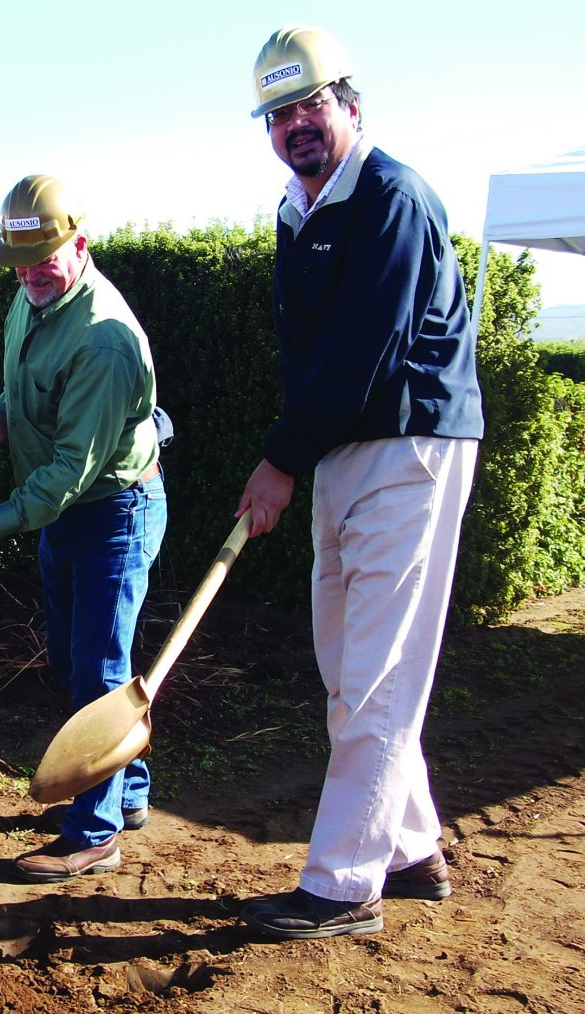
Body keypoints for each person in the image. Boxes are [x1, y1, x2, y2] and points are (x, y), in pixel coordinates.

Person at [236, 27, 484, 939]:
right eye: (278, 113)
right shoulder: (298, 212)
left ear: (349, 103)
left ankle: (345, 882)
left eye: (309, 104)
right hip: (344, 451)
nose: (295, 125)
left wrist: (279, 458)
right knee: (349, 663)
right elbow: (314, 363)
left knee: (377, 670)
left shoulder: (393, 198)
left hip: (409, 446)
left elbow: (362, 349)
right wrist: (301, 455)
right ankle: (413, 847)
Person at [0, 175, 167, 882]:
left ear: (80, 242)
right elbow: (30, 383)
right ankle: (126, 792)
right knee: (85, 664)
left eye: (47, 256)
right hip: (67, 515)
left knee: (100, 677)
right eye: (20, 262)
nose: (33, 273)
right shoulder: (32, 296)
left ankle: (95, 832)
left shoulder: (104, 340)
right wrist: (0, 410)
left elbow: (73, 468)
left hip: (111, 514)